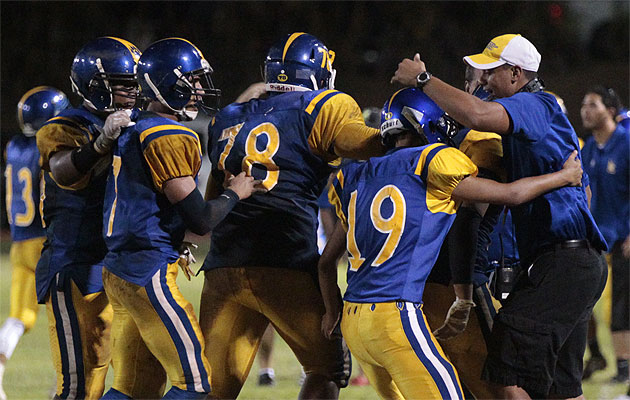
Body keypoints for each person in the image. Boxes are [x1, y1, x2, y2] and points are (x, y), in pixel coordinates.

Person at [318, 87, 584, 400]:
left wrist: (331, 311)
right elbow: (509, 195)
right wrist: (563, 177)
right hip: (396, 314)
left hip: (353, 321)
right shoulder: (434, 160)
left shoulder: (358, 174)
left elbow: (325, 263)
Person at [391, 33, 608, 399]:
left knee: (505, 369)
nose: (485, 81)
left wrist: (423, 81)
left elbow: (476, 114)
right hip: (570, 263)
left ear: (514, 73)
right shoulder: (532, 121)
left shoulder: (535, 104)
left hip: (563, 264)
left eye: (491, 72)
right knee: (562, 388)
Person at [198, 32, 385, 400]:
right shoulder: (323, 107)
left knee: (212, 389)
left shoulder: (229, 117)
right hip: (285, 260)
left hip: (224, 267)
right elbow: (367, 145)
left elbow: (211, 202)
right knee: (328, 369)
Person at [98, 38, 263, 400]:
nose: (199, 90)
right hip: (147, 270)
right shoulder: (170, 135)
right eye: (192, 81)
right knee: (196, 382)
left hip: (119, 267)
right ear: (167, 84)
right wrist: (236, 191)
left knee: (130, 387)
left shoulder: (133, 124)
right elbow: (201, 219)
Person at [35, 37, 141, 400]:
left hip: (114, 265)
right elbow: (64, 171)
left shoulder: (132, 124)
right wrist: (100, 144)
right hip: (74, 264)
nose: (134, 91)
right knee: (80, 384)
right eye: (126, 84)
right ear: (97, 86)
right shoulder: (63, 126)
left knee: (118, 376)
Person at [0, 87, 69, 400]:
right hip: (45, 243)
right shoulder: (48, 147)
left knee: (19, 317)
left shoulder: (13, 146)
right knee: (68, 316)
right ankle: (68, 384)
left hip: (18, 242)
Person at [581, 86, 630, 385]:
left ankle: (623, 366)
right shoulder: (588, 148)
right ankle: (595, 353)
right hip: (597, 235)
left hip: (624, 235)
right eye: (584, 104)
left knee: (623, 302)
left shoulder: (625, 143)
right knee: (582, 295)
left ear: (610, 110)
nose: (585, 110)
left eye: (593, 104)